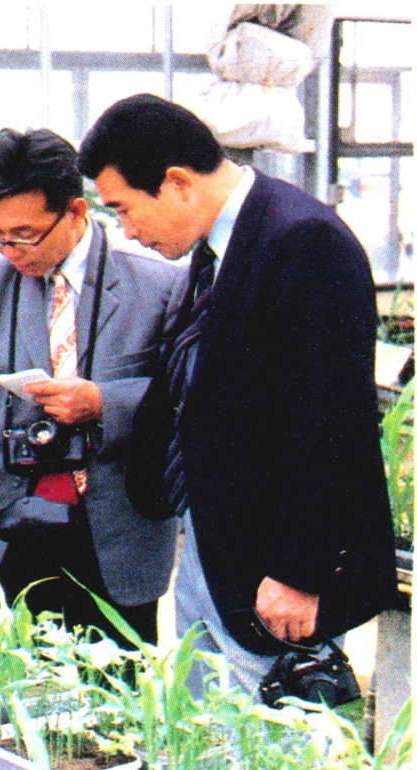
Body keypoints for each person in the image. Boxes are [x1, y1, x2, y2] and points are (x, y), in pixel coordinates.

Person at [78, 93, 395, 694]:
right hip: (215, 543)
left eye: (124, 209)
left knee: (272, 735)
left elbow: (331, 423)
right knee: (209, 725)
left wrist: (298, 574)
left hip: (274, 569)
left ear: (177, 182)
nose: (128, 232)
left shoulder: (303, 241)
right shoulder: (223, 246)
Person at [0, 128, 187, 646]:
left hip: (115, 533)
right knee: (5, 683)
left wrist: (104, 404)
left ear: (75, 212)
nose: (10, 249)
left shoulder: (161, 283)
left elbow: (188, 402)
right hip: (8, 524)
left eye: (25, 234)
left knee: (115, 686)